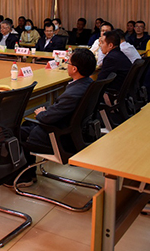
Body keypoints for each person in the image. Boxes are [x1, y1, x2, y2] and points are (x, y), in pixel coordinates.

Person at [15, 49, 97, 186]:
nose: (66, 65)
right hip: (73, 132)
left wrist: (41, 113)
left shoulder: (73, 93)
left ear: (74, 69)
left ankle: (25, 177)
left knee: (17, 133)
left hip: (60, 138)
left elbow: (47, 118)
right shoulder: (88, 83)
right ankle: (29, 174)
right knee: (26, 126)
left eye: (68, 62)